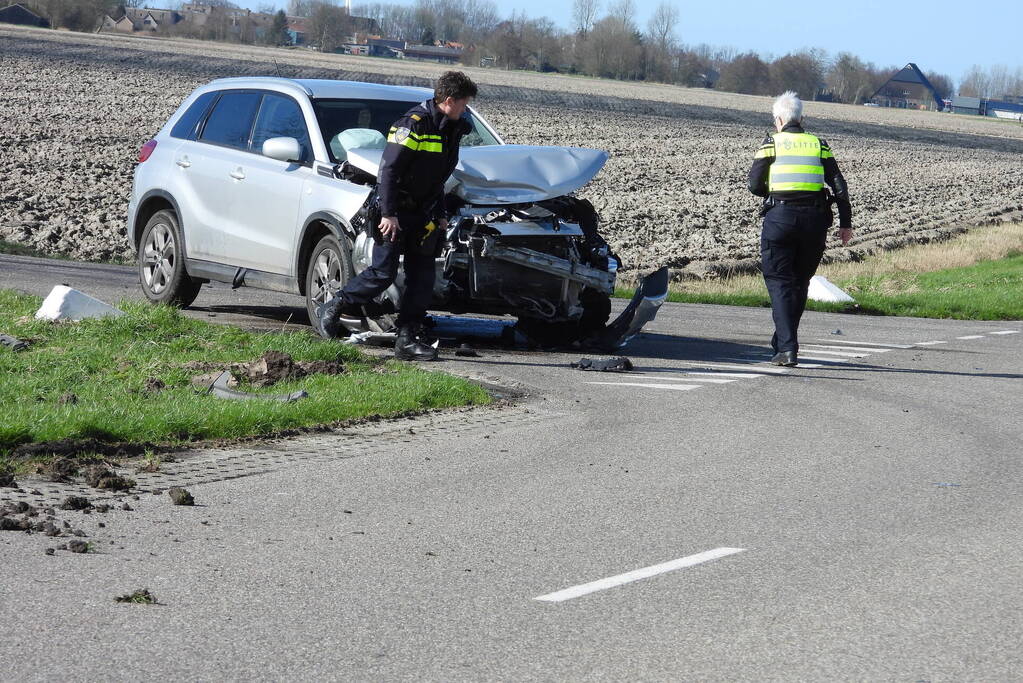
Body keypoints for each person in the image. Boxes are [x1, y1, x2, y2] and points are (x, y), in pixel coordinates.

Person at [320, 71, 478, 361]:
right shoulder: (413, 125)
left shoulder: (455, 128)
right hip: (393, 211)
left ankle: (407, 340)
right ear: (449, 100)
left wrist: (441, 213)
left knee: (422, 278)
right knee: (383, 273)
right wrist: (389, 214)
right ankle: (336, 305)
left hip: (424, 214)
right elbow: (389, 172)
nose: (466, 109)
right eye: (464, 103)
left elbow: (438, 177)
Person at [748, 91, 853, 367]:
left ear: (779, 120)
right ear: (801, 118)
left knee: (780, 281)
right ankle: (782, 340)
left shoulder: (771, 143)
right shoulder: (819, 145)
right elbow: (839, 185)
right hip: (815, 221)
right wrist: (845, 223)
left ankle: (787, 348)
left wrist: (777, 189)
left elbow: (754, 185)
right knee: (799, 282)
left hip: (780, 219)